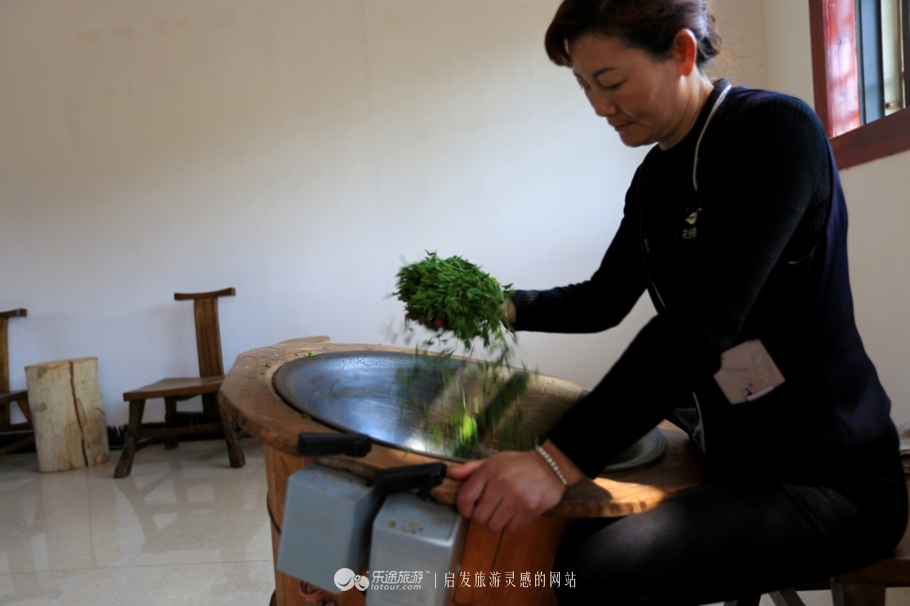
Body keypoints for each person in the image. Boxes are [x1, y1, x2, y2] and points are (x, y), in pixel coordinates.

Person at [445, 0, 909, 604]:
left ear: (683, 52)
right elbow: (602, 301)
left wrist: (555, 464)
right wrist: (494, 306)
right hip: (730, 453)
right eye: (585, 86)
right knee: (557, 534)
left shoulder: (775, 132)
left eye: (610, 81)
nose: (599, 107)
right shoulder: (655, 177)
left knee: (592, 570)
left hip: (827, 479)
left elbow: (701, 324)